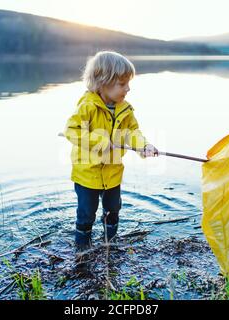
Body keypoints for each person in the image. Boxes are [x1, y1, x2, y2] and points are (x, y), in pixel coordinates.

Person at [63, 51, 158, 251]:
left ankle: (110, 244)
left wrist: (143, 145)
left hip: (113, 172)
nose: (128, 89)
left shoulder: (125, 109)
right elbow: (72, 131)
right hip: (87, 173)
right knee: (87, 213)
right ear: (103, 82)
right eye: (122, 84)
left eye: (128, 83)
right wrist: (100, 142)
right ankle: (82, 248)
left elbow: (132, 132)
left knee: (113, 209)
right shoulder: (87, 106)